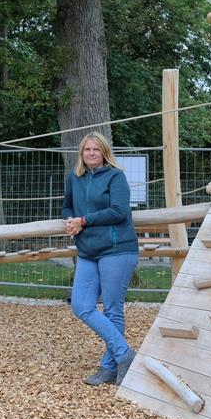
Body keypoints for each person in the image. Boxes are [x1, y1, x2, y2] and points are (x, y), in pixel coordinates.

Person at [62, 132, 140, 386]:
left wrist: (83, 220)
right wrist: (70, 221)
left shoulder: (115, 176)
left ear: (104, 152)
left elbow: (119, 211)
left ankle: (109, 368)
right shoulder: (75, 177)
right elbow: (67, 206)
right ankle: (124, 354)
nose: (91, 153)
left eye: (96, 149)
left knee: (112, 309)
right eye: (87, 150)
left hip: (117, 249)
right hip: (88, 250)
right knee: (81, 305)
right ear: (82, 153)